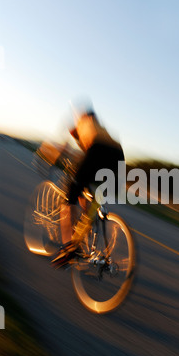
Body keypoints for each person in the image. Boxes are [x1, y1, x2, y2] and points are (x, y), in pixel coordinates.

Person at [42, 106, 125, 269]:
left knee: (69, 198)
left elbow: (67, 150)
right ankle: (88, 220)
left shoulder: (80, 124)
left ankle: (68, 249)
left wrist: (51, 161)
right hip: (118, 156)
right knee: (85, 188)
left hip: (98, 151)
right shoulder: (99, 127)